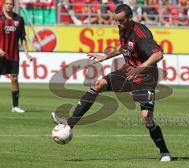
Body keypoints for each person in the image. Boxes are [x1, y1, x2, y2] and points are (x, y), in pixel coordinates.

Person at [52, 4, 171, 161]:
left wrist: (140, 69)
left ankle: (164, 151)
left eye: (120, 21)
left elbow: (158, 54)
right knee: (98, 85)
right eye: (116, 21)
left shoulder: (141, 34)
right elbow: (124, 48)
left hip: (145, 77)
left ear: (130, 18)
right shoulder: (123, 28)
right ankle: (70, 125)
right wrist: (105, 56)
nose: (118, 24)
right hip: (128, 70)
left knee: (146, 118)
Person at [0, 0, 33, 113]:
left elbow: (22, 37)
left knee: (14, 78)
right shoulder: (0, 19)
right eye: (7, 4)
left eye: (11, 4)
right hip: (0, 55)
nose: (9, 6)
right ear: (3, 5)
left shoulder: (19, 19)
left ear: (13, 6)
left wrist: (27, 53)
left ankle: (15, 106)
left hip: (13, 54)